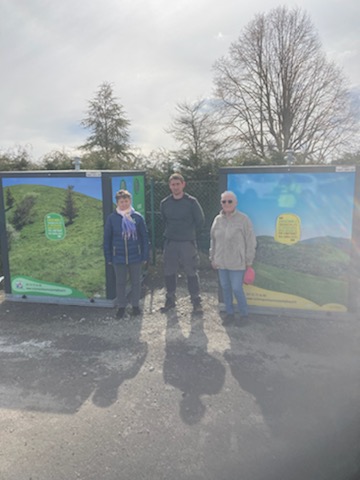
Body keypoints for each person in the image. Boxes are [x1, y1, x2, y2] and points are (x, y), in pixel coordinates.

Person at [160, 173, 205, 313]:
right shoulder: (164, 203)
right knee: (169, 271)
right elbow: (164, 220)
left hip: (187, 242)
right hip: (171, 242)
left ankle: (196, 301)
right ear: (169, 186)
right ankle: (170, 299)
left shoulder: (192, 202)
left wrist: (188, 232)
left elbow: (200, 221)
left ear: (183, 184)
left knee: (191, 271)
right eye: (173, 185)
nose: (175, 187)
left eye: (178, 184)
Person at [209, 191, 256, 325]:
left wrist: (248, 261)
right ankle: (229, 314)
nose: (227, 204)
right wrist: (212, 257)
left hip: (237, 262)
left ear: (236, 203)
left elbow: (250, 241)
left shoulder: (244, 219)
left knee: (236, 288)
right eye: (224, 201)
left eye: (230, 201)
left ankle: (244, 314)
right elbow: (213, 240)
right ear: (221, 203)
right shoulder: (217, 220)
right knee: (225, 287)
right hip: (221, 262)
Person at [104, 189, 149, 319]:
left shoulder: (137, 217)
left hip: (136, 256)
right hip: (118, 256)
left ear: (130, 201)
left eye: (126, 201)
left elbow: (144, 237)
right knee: (120, 283)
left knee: (136, 282)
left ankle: (135, 305)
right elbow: (107, 238)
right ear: (117, 203)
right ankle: (121, 307)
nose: (124, 204)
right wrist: (108, 256)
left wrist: (145, 255)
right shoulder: (112, 218)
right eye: (121, 201)